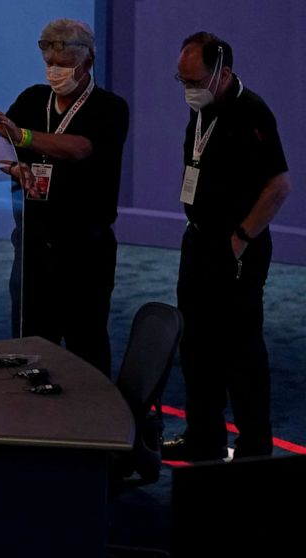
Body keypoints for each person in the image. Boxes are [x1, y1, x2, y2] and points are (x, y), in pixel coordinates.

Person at [162, 32, 291, 461]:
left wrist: (241, 239)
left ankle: (255, 445)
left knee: (240, 349)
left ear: (224, 72)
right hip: (197, 239)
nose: (188, 90)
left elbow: (278, 186)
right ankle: (205, 436)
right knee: (196, 346)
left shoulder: (252, 113)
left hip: (236, 248)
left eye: (194, 81)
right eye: (182, 82)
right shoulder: (203, 111)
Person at [0, 18, 129, 376]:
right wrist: (13, 167)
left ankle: (93, 422)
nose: (54, 71)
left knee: (86, 343)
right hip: (33, 245)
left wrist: (23, 139)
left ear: (87, 62)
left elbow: (78, 148)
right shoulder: (33, 98)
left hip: (84, 249)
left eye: (63, 65)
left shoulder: (109, 108)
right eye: (50, 63)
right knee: (29, 342)